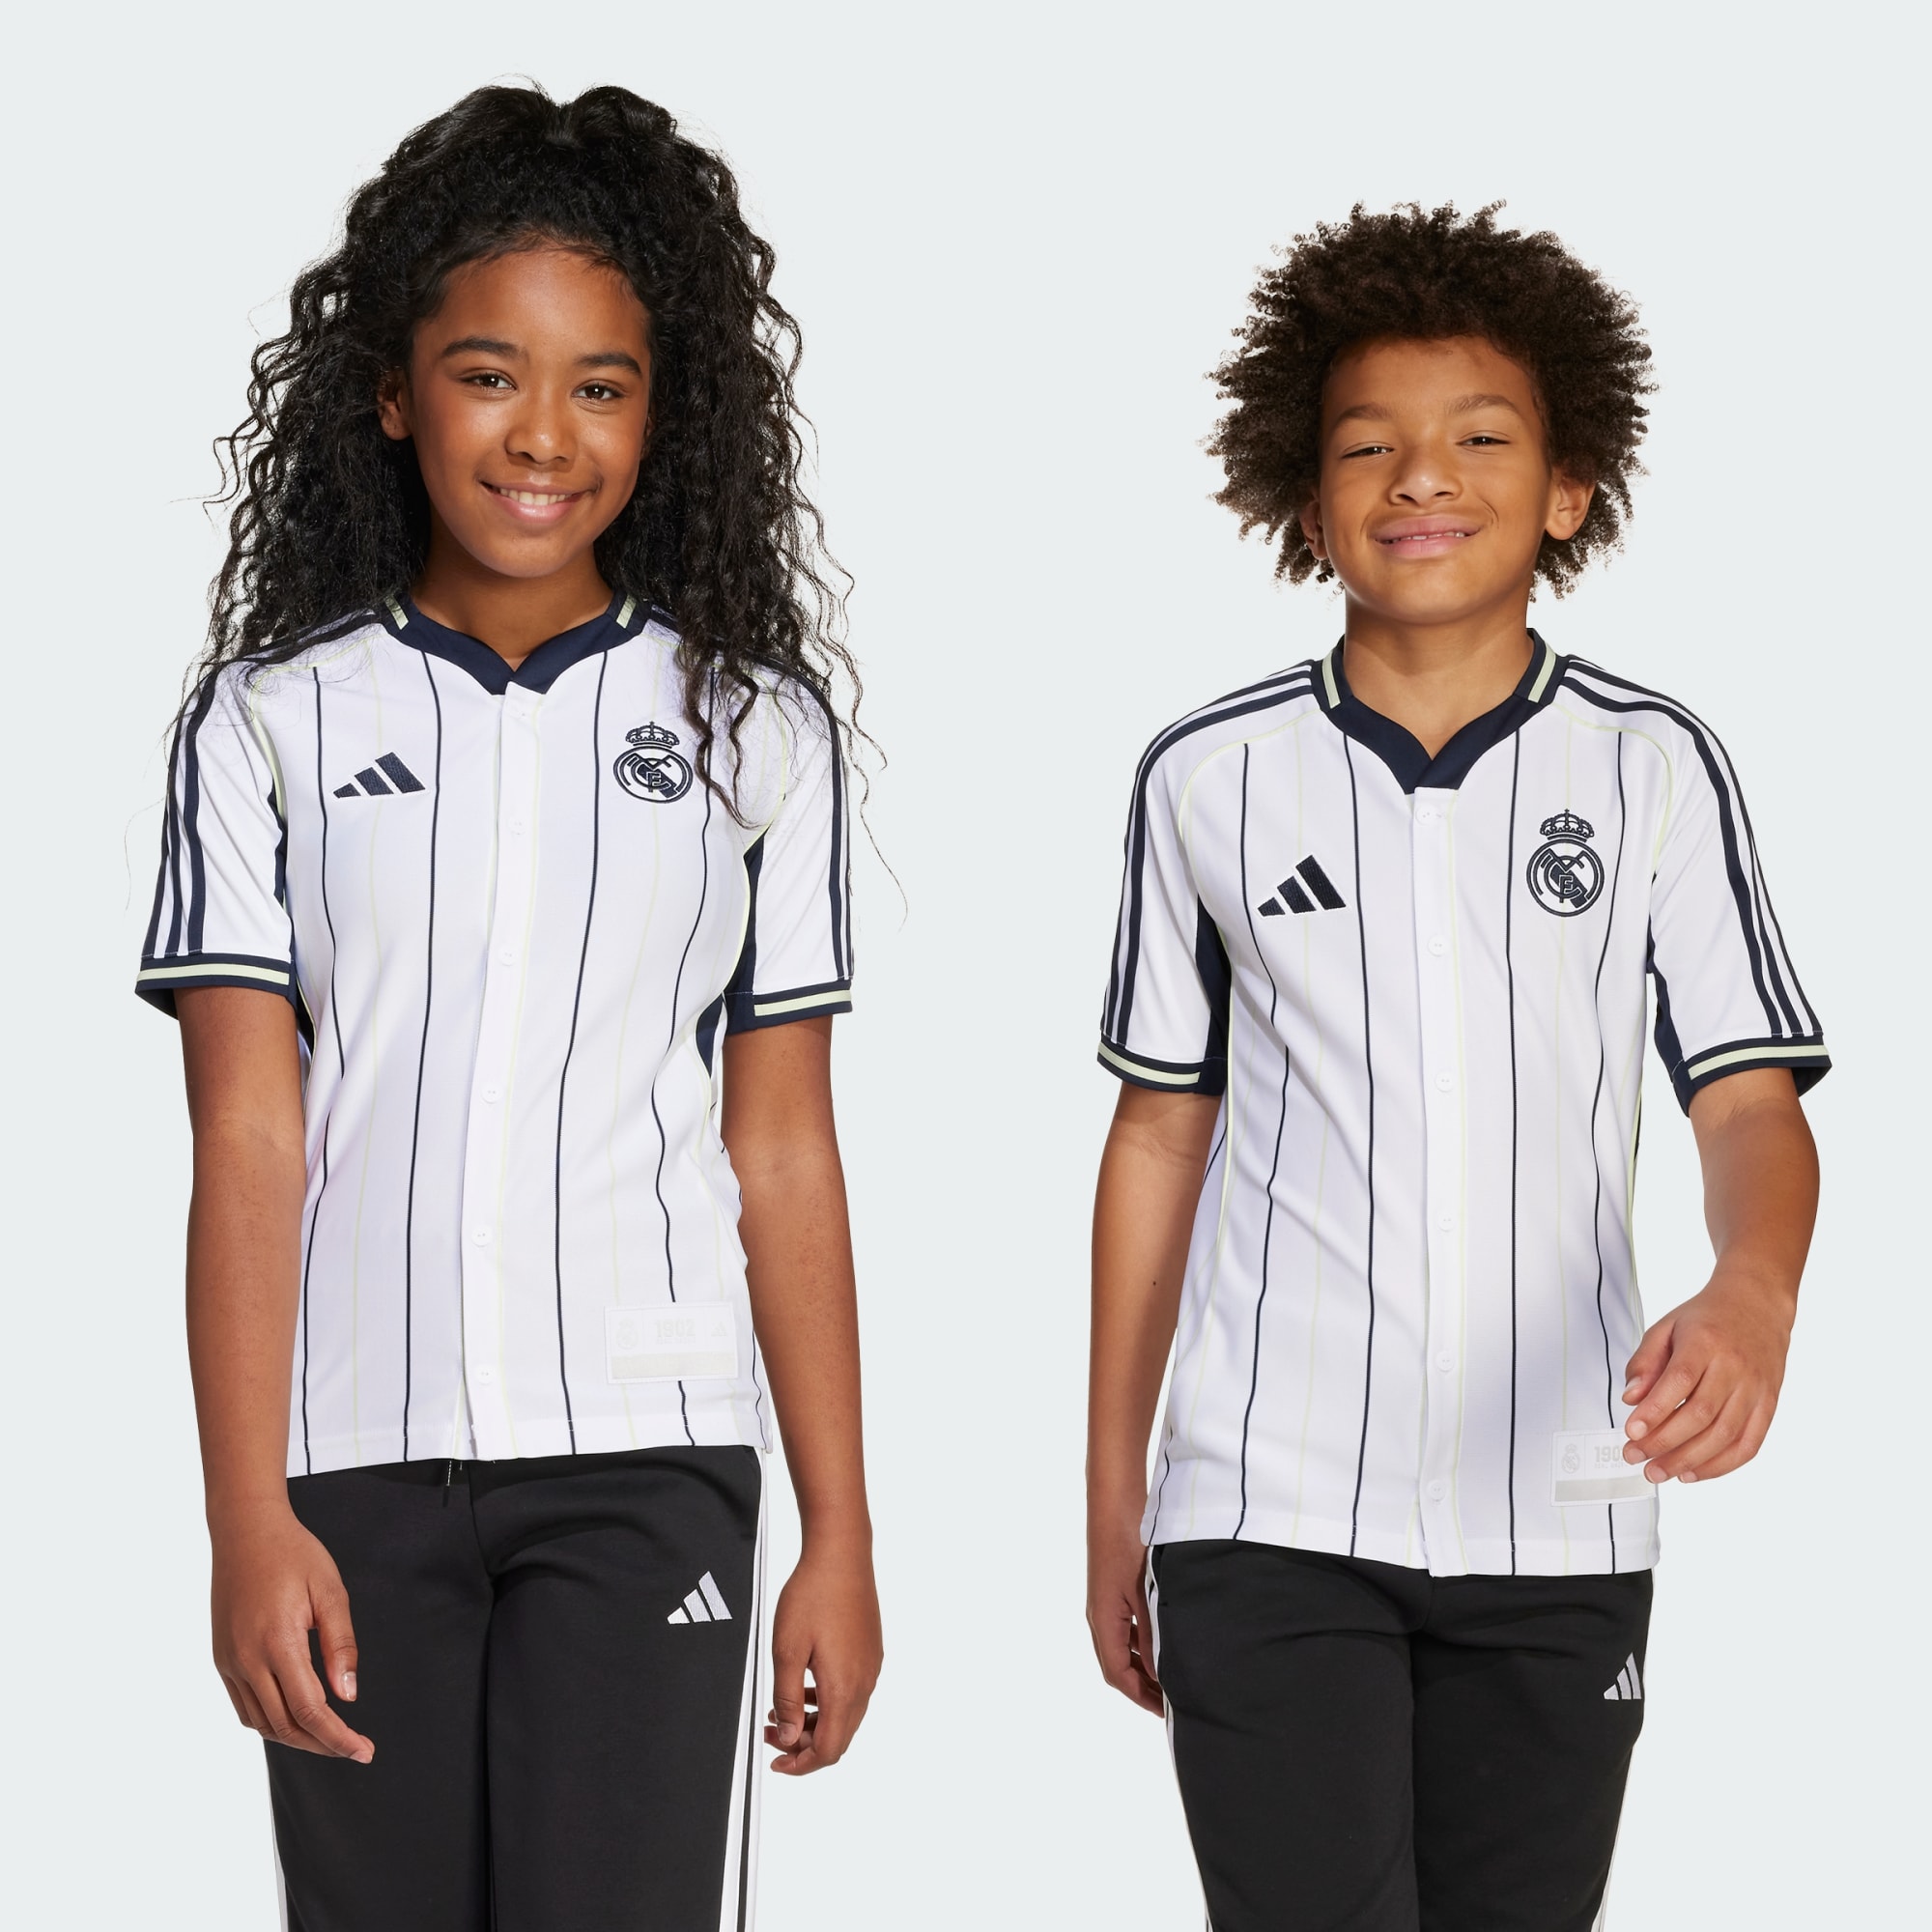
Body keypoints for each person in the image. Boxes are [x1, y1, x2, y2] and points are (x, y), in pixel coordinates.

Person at [138, 82, 881, 1931]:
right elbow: (247, 1135)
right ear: (394, 393)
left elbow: (784, 1150)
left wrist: (840, 1532)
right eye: (488, 374)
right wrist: (247, 1515)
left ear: (661, 411)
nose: (543, 433)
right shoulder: (268, 722)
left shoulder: (756, 730)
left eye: (600, 386)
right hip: (355, 1468)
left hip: (651, 1462)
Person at [1085, 203, 1826, 1931]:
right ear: (1306, 496)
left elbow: (1746, 1098)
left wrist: (1756, 1290)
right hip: (1263, 1513)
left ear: (1569, 487)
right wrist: (1117, 1494)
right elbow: (1157, 1144)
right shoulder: (1206, 779)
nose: (1423, 475)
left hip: (1563, 1515)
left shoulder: (1655, 768)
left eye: (1481, 438)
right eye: (1370, 446)